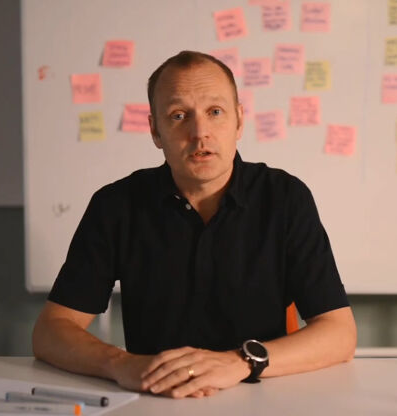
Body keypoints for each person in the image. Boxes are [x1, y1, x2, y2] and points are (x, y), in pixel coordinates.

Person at [32, 51, 356, 399]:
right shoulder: (117, 205)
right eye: (179, 116)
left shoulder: (285, 197)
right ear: (156, 130)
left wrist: (239, 362)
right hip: (156, 400)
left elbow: (339, 333)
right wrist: (119, 363)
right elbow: (51, 331)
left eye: (215, 112)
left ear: (239, 121)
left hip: (261, 397)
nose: (200, 132)